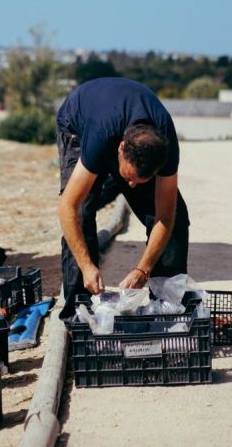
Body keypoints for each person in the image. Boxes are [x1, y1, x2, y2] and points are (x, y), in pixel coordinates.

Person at [55, 77, 190, 318]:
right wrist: (87, 266)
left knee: (177, 221)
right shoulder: (99, 136)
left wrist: (143, 269)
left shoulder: (165, 149)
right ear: (119, 149)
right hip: (78, 124)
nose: (129, 186)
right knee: (83, 212)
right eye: (127, 178)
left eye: (138, 181)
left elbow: (166, 216)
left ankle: (167, 306)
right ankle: (80, 310)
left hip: (124, 129)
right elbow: (68, 207)